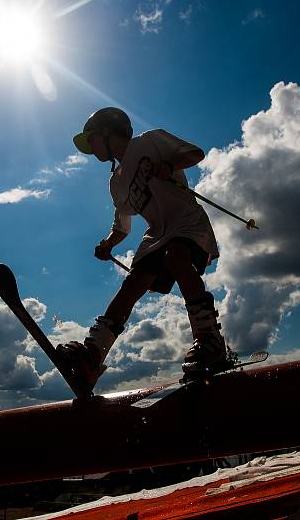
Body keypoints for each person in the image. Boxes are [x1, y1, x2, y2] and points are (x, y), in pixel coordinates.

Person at [57, 107, 228, 392]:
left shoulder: (150, 141)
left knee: (177, 257)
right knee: (132, 284)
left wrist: (169, 165)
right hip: (156, 235)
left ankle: (209, 338)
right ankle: (93, 353)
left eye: (93, 139)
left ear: (110, 132)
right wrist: (108, 244)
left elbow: (196, 153)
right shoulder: (116, 182)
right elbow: (122, 226)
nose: (91, 147)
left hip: (187, 224)